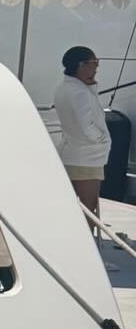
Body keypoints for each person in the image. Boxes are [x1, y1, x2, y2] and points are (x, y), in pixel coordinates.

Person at [53, 45, 110, 217]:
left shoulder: (64, 88)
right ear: (81, 65)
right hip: (87, 158)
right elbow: (86, 126)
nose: (97, 67)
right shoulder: (80, 92)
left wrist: (91, 85)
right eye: (94, 62)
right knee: (89, 209)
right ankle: (87, 235)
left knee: (68, 208)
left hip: (70, 153)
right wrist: (102, 140)